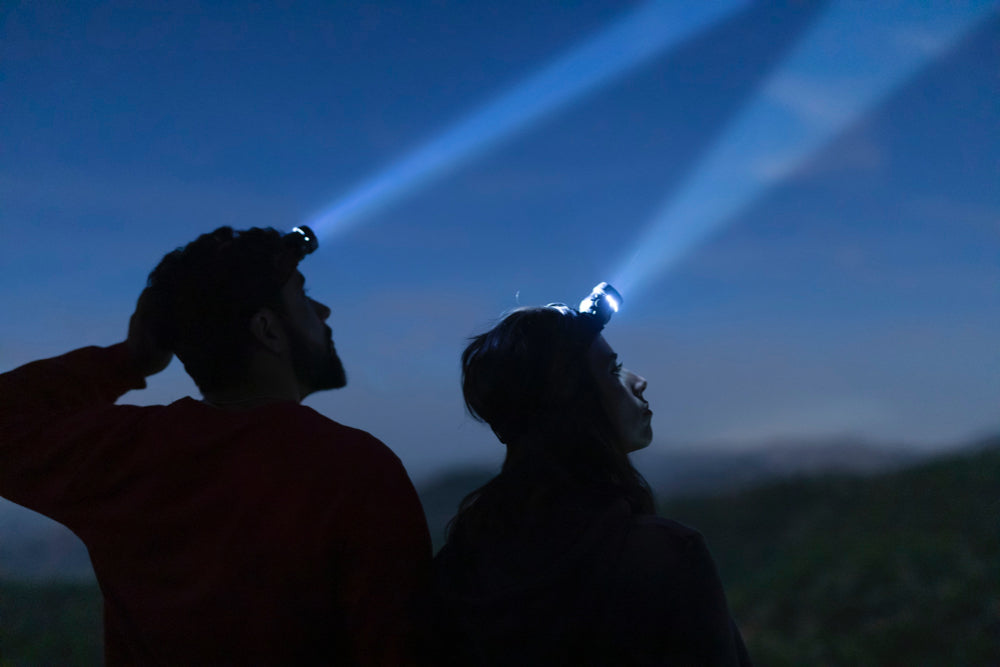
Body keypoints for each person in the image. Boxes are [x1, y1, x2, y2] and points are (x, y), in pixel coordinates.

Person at [0, 226, 432, 665]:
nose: (323, 309)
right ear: (267, 329)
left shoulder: (129, 454)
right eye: (302, 297)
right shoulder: (357, 470)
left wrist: (127, 359)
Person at [427, 299, 752, 666]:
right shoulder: (665, 557)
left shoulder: (458, 568)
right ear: (571, 401)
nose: (639, 381)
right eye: (613, 371)